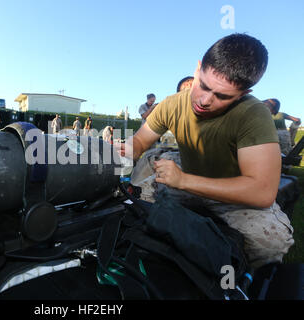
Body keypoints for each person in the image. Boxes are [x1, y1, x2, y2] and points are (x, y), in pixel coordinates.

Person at [116, 33, 294, 269]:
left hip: (231, 194)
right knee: (132, 204)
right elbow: (138, 143)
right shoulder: (172, 103)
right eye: (204, 86)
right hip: (184, 182)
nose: (205, 100)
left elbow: (262, 191)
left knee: (270, 242)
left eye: (222, 96)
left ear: (245, 93)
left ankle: (232, 283)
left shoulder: (253, 114)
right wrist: (117, 150)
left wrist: (184, 180)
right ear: (198, 68)